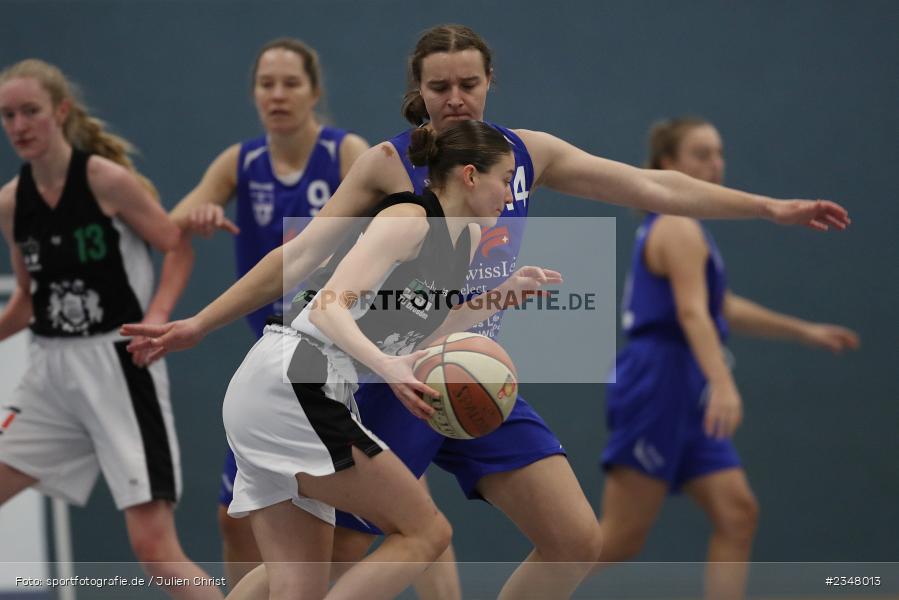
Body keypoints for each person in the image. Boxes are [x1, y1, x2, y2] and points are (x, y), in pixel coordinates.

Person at [124, 24, 850, 600]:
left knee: (574, 539)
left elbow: (647, 186)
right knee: (332, 564)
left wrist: (766, 207)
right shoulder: (387, 167)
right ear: (419, 89)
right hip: (383, 382)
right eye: (439, 86)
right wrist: (198, 323)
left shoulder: (524, 155)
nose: (455, 98)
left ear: (488, 82)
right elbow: (299, 258)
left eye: (468, 83)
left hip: (471, 373)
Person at [214, 120, 543, 600]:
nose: (510, 195)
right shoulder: (408, 219)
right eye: (505, 178)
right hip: (296, 377)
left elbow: (419, 329)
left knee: (297, 588)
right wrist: (389, 368)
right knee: (426, 533)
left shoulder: (464, 241)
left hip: (289, 387)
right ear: (470, 175)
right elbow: (329, 307)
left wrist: (500, 298)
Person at [595, 117, 860, 599]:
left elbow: (718, 306)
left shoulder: (690, 229)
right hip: (659, 381)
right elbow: (692, 313)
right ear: (667, 166)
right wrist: (722, 381)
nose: (714, 165)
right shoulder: (676, 224)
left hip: (688, 382)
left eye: (718, 153)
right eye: (700, 154)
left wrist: (802, 330)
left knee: (737, 514)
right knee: (616, 540)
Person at [0, 59, 223, 600]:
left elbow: (175, 245)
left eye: (30, 111)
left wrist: (156, 315)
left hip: (119, 367)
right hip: (50, 374)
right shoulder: (11, 203)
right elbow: (29, 300)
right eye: (8, 115)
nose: (20, 125)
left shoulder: (104, 179)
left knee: (155, 552)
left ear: (60, 111)